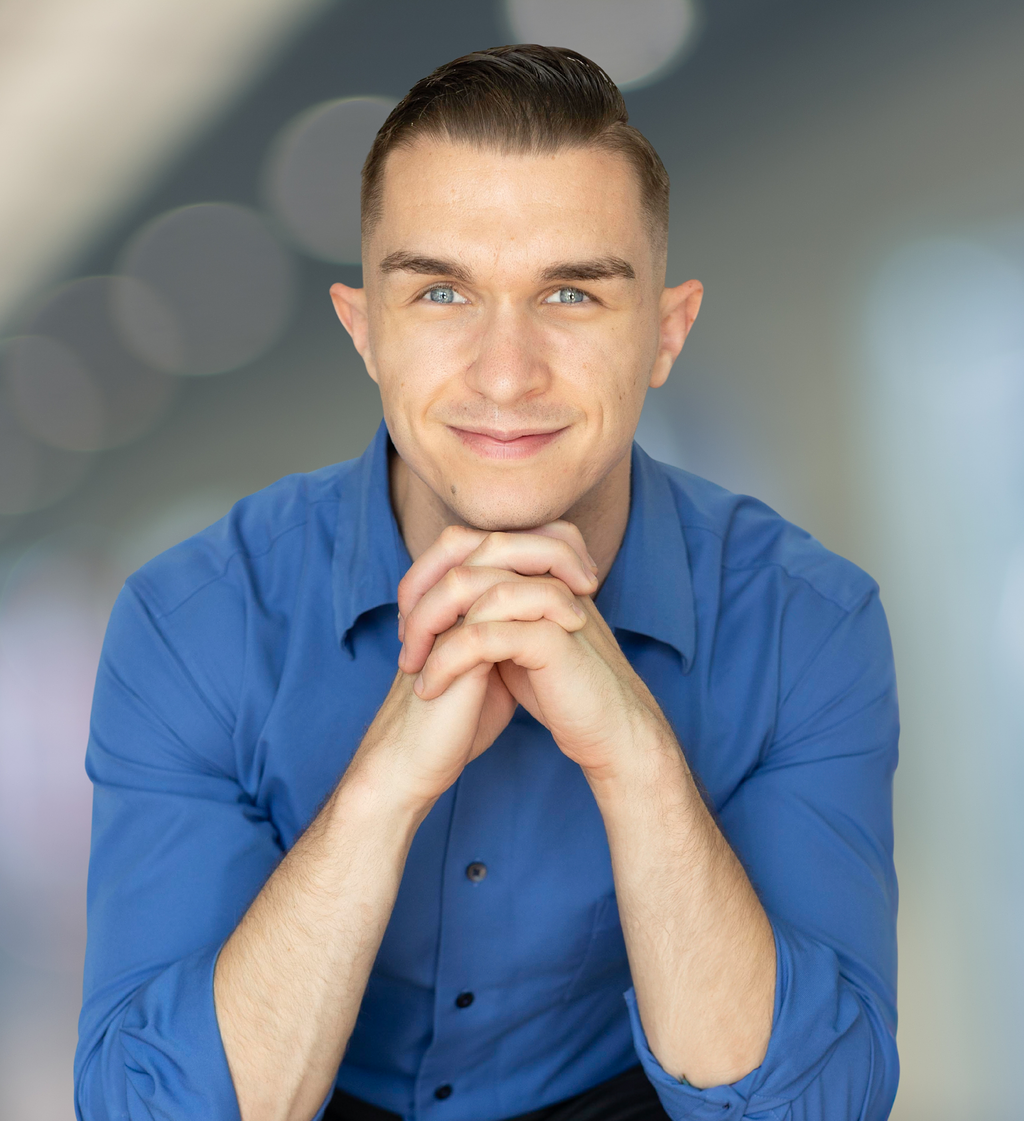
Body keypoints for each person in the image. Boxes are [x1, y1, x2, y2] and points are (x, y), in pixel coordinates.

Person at [74, 45, 899, 1121]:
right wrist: (382, 790)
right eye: (440, 291)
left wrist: (638, 759)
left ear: (665, 330)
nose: (505, 373)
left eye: (569, 291)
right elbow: (149, 1109)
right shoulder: (195, 620)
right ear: (364, 329)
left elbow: (815, 1104)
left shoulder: (806, 622)